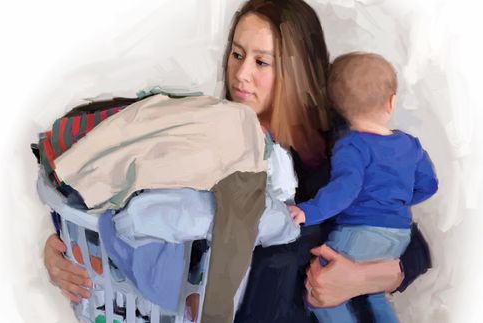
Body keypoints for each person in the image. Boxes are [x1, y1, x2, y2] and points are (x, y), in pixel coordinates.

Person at [43, 1, 432, 322]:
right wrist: (61, 252)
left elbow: (412, 245)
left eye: (262, 62)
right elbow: (136, 215)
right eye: (237, 54)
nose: (241, 75)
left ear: (297, 71)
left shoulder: (342, 154)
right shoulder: (208, 143)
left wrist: (361, 278)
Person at [288, 52, 438, 322]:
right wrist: (397, 202)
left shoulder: (351, 146)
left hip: (360, 232)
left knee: (320, 289)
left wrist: (307, 212)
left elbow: (344, 192)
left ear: (340, 107)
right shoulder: (410, 145)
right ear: (391, 102)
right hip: (399, 236)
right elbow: (429, 186)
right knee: (373, 294)